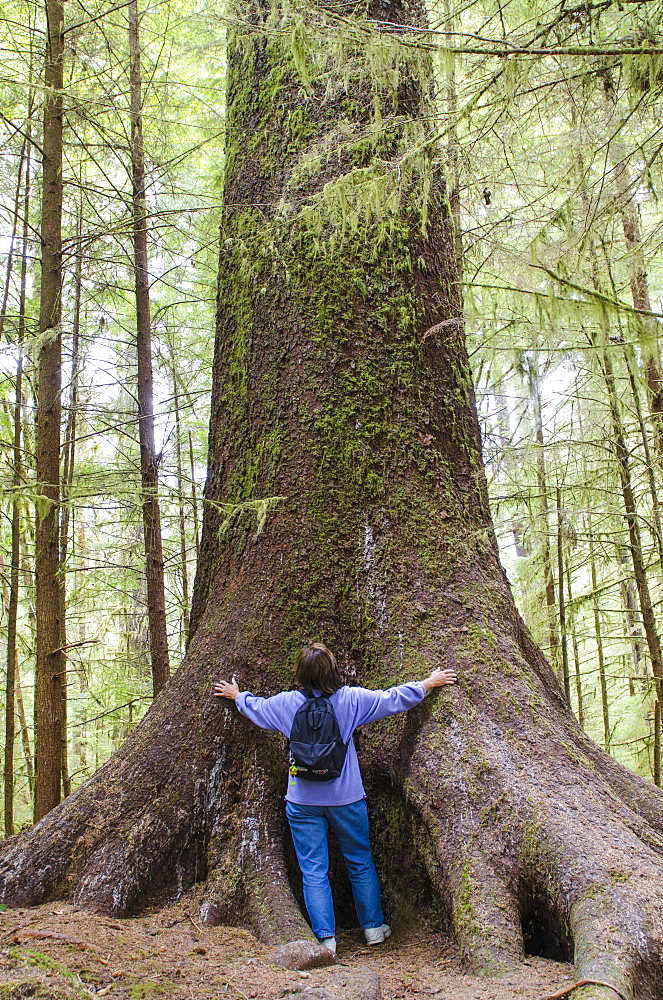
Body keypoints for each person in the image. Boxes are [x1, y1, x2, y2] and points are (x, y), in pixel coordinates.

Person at [214, 642, 457, 955]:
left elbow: (258, 709)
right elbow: (392, 699)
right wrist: (427, 684)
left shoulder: (287, 704)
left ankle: (325, 938)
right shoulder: (351, 700)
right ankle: (372, 929)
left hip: (302, 802)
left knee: (314, 870)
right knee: (359, 861)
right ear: (332, 671)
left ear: (300, 675)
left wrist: (238, 696)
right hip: (347, 799)